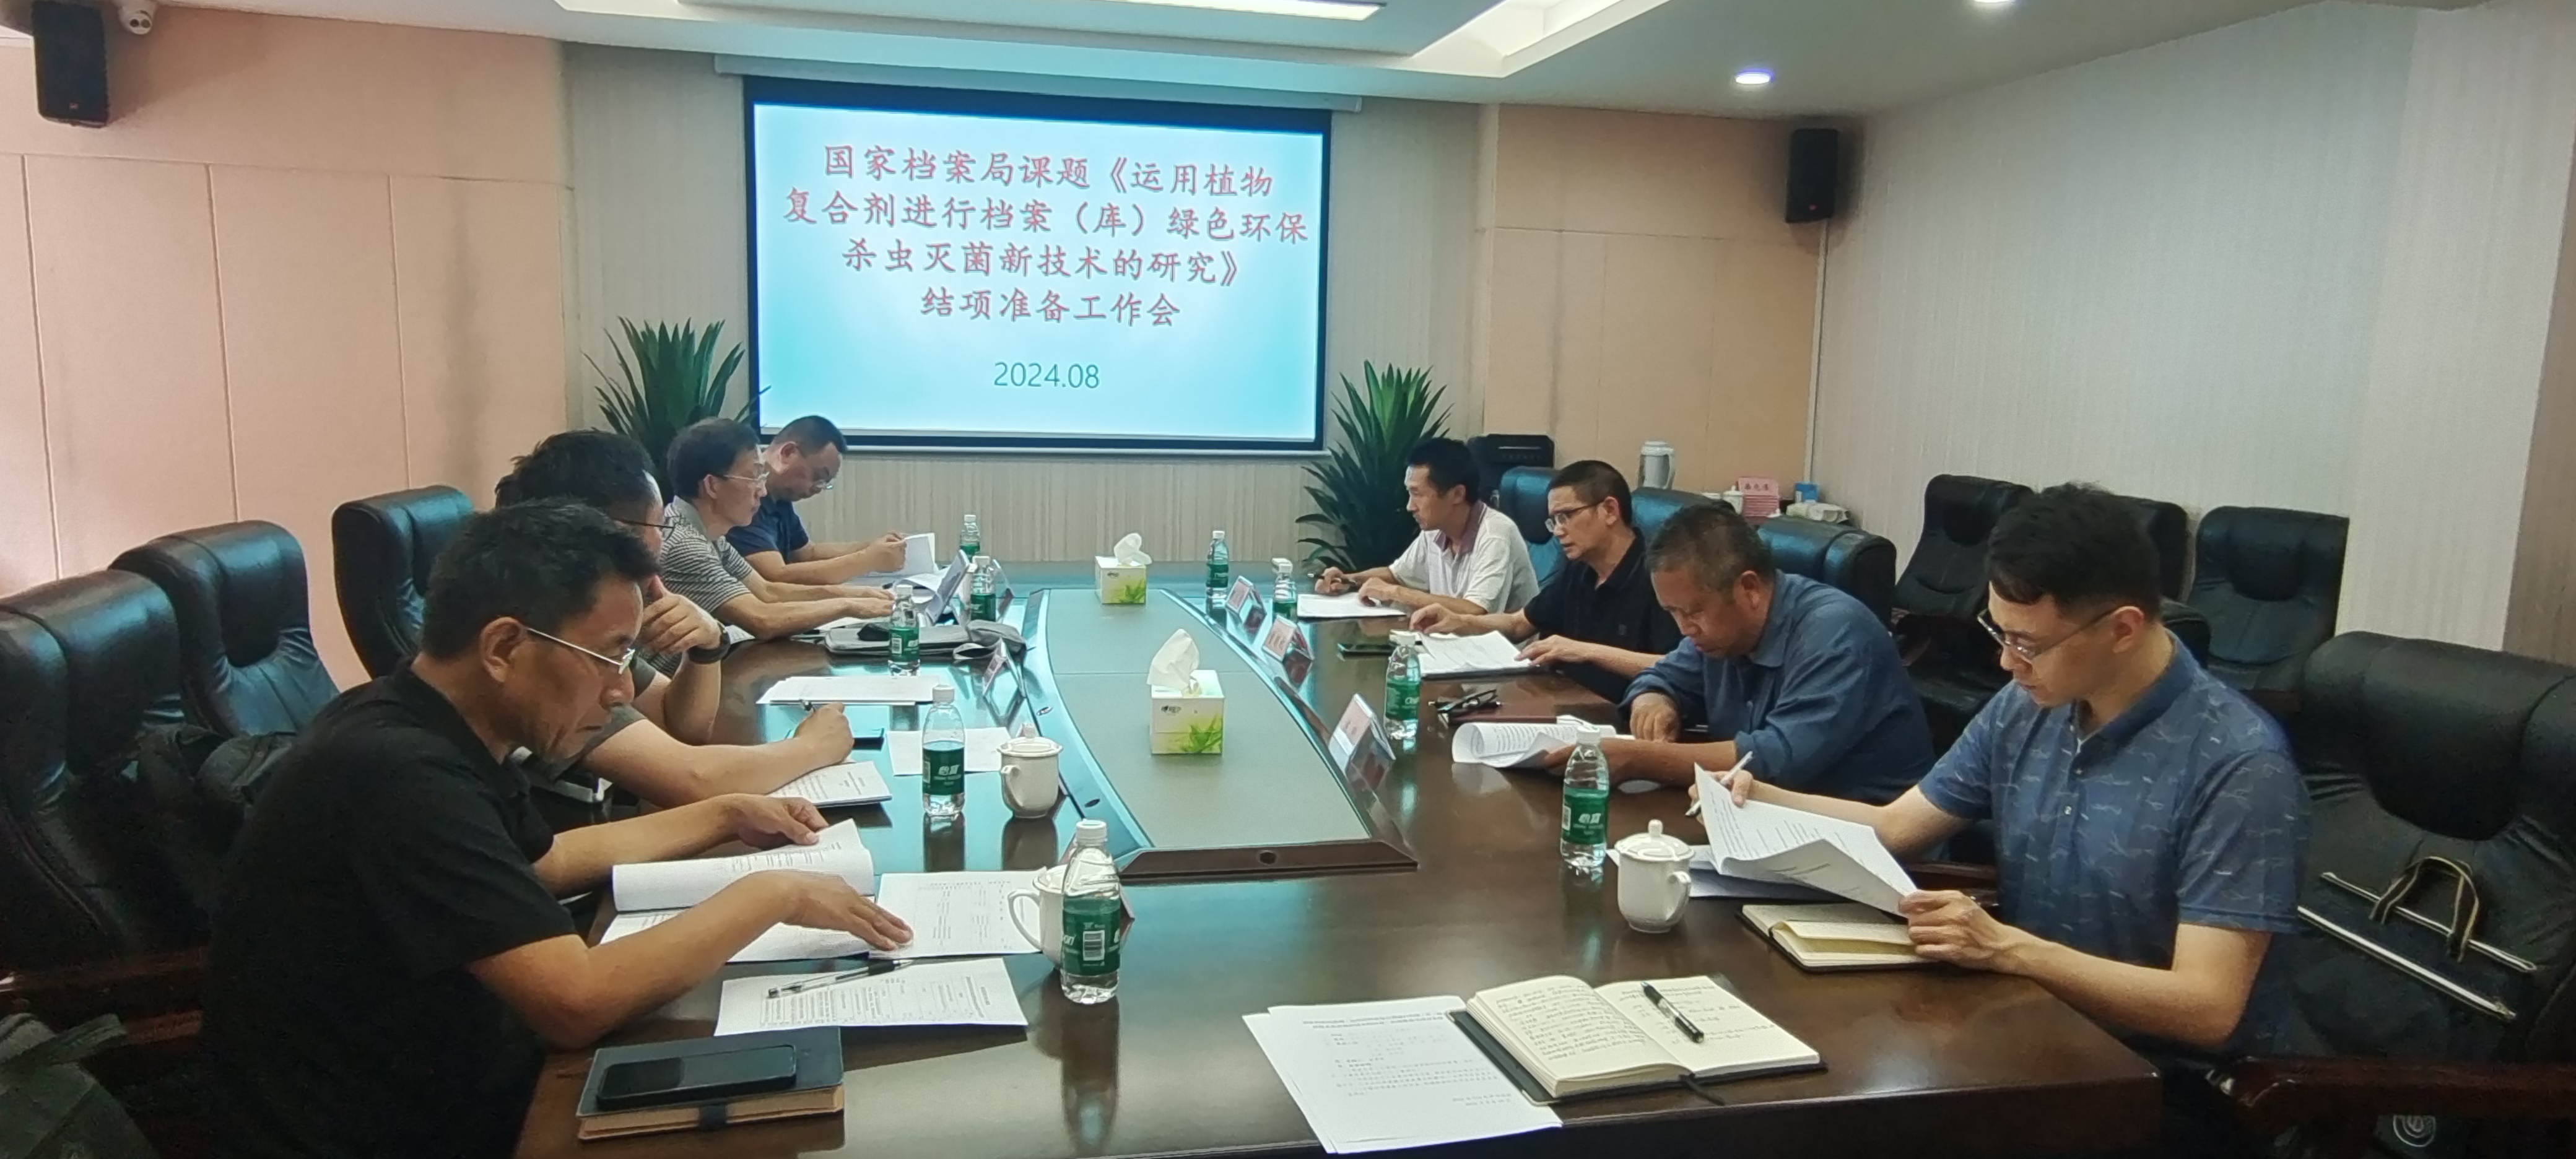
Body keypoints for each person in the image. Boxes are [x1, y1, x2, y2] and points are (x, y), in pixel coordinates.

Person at [202, 500, 913, 1159]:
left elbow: (542, 861)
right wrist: (773, 894)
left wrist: (723, 813)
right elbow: (577, 1002)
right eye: (609, 655)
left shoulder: (425, 721)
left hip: (459, 1075)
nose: (620, 689)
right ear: (504, 646)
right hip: (392, 1129)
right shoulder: (397, 772)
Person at [1698, 484, 2308, 1158]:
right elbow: (1897, 827)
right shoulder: (2030, 705)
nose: (2006, 661)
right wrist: (1759, 795)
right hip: (2032, 1029)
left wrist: (2007, 949)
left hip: (2162, 1087)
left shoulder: (2236, 763)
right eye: (1999, 633)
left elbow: (2206, 1007)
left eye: (2027, 643)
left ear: (2122, 629)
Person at [495, 430, 853, 823]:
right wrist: (812, 746)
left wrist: (707, 648)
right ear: (610, 531)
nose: (663, 539)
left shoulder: (586, 615)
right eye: (658, 525)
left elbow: (682, 726)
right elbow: (692, 777)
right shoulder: (553, 636)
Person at [1603, 503, 1931, 801]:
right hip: (1769, 817)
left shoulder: (1837, 632)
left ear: (1749, 589)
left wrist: (1640, 760)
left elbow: (1778, 760)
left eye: (1693, 612)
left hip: (1869, 836)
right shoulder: (1719, 634)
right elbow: (1661, 676)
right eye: (1672, 612)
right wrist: (1653, 701)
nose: (1684, 628)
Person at [1409, 460, 1680, 701]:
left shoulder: (1658, 576)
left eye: (1566, 517)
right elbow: (1519, 624)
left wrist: (1584, 651)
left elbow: (1677, 666)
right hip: (1562, 701)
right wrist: (1460, 621)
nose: (1558, 531)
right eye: (1554, 521)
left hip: (1619, 715)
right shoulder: (1579, 570)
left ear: (1609, 510)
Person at [661, 418, 891, 639]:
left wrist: (857, 594)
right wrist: (848, 606)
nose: (761, 491)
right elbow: (763, 620)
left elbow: (768, 592)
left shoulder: (712, 536)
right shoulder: (685, 545)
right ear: (713, 485)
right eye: (753, 478)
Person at [1315, 437, 1538, 615]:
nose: (1410, 506)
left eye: (1418, 494)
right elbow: (1397, 575)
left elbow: (1476, 611)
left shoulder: (1495, 534)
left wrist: (1396, 593)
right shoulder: (1435, 530)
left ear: (1457, 494)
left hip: (1503, 654)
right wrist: (1349, 580)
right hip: (1451, 646)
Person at [727, 414, 913, 585]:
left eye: (824, 483)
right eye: (817, 476)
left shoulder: (780, 498)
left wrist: (873, 546)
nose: (818, 488)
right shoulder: (743, 496)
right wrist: (868, 560)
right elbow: (775, 576)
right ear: (788, 452)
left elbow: (806, 554)